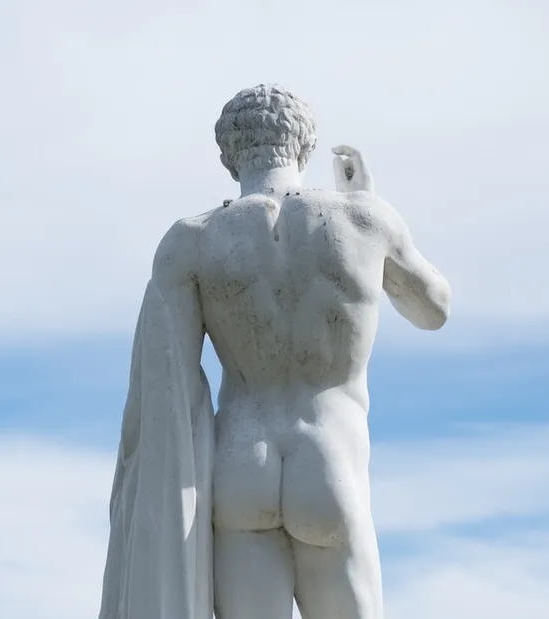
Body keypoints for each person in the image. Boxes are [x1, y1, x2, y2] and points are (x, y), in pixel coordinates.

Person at [99, 84, 451, 619]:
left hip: (241, 468)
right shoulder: (364, 220)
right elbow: (435, 308)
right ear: (307, 147)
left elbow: (163, 382)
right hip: (328, 463)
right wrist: (370, 203)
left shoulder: (192, 241)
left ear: (227, 155)